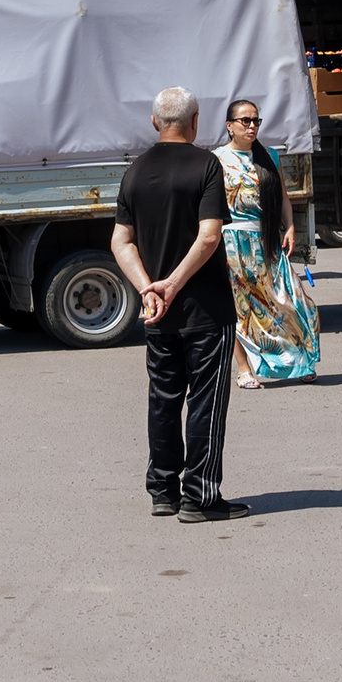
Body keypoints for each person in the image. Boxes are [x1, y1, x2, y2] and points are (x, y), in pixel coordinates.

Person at [110, 87, 247, 523]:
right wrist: (173, 283)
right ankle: (200, 497)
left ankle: (163, 491)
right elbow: (209, 235)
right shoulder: (206, 165)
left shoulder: (134, 172)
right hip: (205, 307)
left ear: (154, 122)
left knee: (163, 399)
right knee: (206, 401)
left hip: (157, 312)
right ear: (195, 123)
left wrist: (148, 287)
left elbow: (120, 241)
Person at [211, 99, 318, 387]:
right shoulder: (216, 159)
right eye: (245, 120)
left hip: (266, 240)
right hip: (231, 242)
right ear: (229, 125)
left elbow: (282, 196)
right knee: (239, 310)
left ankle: (298, 362)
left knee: (291, 303)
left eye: (256, 120)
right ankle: (244, 369)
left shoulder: (268, 155)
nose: (251, 126)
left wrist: (291, 227)